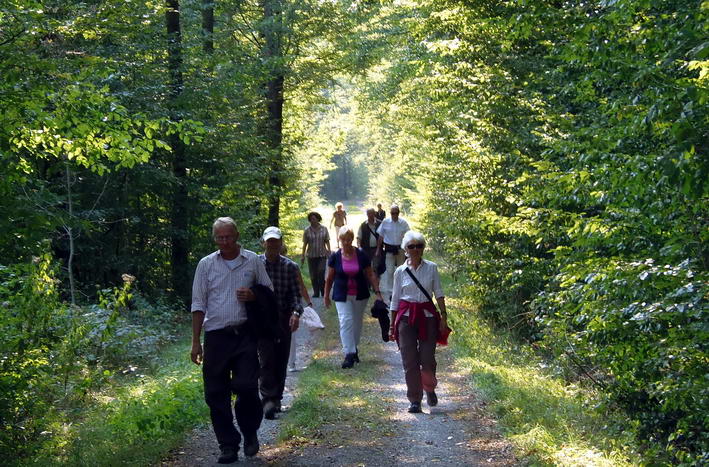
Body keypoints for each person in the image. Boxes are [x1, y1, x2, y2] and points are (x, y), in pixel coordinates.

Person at [191, 217, 273, 464]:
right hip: (215, 336)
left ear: (237, 235)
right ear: (214, 239)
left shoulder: (253, 261)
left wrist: (253, 295)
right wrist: (196, 341)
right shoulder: (206, 265)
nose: (224, 241)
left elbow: (268, 293)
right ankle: (227, 445)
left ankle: (249, 433)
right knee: (216, 393)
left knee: (247, 387)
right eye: (220, 237)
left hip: (244, 334)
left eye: (228, 236)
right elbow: (198, 303)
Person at [389, 231, 448, 414]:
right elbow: (395, 299)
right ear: (405, 250)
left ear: (423, 248)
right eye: (411, 246)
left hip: (428, 318)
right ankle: (415, 399)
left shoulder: (432, 268)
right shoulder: (400, 272)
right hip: (406, 318)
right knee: (409, 360)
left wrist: (443, 317)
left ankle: (429, 388)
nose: (415, 249)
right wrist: (392, 325)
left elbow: (438, 292)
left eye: (419, 246)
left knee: (427, 358)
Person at [258, 226, 308, 419]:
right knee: (265, 357)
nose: (272, 245)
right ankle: (268, 399)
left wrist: (296, 313)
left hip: (283, 316)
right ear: (264, 243)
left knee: (281, 357)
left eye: (275, 241)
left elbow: (296, 295)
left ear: (281, 243)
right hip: (262, 317)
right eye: (269, 241)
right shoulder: (255, 264)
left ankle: (277, 397)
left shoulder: (290, 267)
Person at [324, 226, 383, 368]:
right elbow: (330, 277)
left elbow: (370, 274)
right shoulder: (335, 256)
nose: (346, 242)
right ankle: (349, 354)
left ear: (352, 239)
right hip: (341, 294)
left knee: (356, 323)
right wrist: (326, 295)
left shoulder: (361, 255)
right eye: (343, 239)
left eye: (348, 239)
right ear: (340, 240)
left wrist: (378, 293)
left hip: (360, 294)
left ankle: (354, 348)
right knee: (346, 321)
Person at [375, 204, 410, 303]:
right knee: (390, 270)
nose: (394, 215)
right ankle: (391, 291)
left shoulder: (403, 223)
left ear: (398, 213)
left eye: (396, 213)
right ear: (390, 213)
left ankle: (401, 288)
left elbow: (408, 236)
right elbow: (381, 236)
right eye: (392, 213)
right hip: (389, 249)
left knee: (401, 270)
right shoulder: (385, 222)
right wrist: (378, 249)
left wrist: (408, 249)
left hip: (400, 250)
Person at [301, 211, 331, 298]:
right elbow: (304, 244)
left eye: (314, 219)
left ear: (318, 219)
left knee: (321, 272)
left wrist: (329, 250)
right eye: (310, 219)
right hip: (311, 256)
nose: (312, 220)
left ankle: (323, 290)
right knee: (313, 275)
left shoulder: (324, 229)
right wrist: (303, 255)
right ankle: (316, 292)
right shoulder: (307, 230)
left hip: (322, 255)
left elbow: (327, 241)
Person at [357, 207, 382, 273]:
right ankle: (367, 282)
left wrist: (378, 249)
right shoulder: (363, 225)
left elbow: (382, 237)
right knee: (366, 267)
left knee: (376, 268)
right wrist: (359, 248)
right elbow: (359, 237)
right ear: (367, 214)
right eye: (369, 213)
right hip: (366, 249)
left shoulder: (380, 224)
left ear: (374, 214)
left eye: (372, 213)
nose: (370, 215)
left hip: (377, 249)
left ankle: (376, 282)